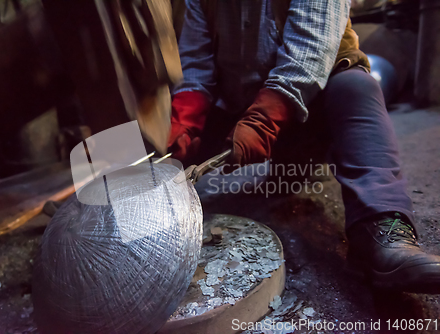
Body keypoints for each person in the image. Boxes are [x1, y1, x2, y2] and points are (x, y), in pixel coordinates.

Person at [168, 0, 440, 293]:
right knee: (175, 146)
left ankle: (380, 230)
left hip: (308, 106)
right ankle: (158, 208)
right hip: (242, 109)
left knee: (356, 88)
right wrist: (186, 121)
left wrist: (263, 119)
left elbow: (309, 50)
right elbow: (195, 64)